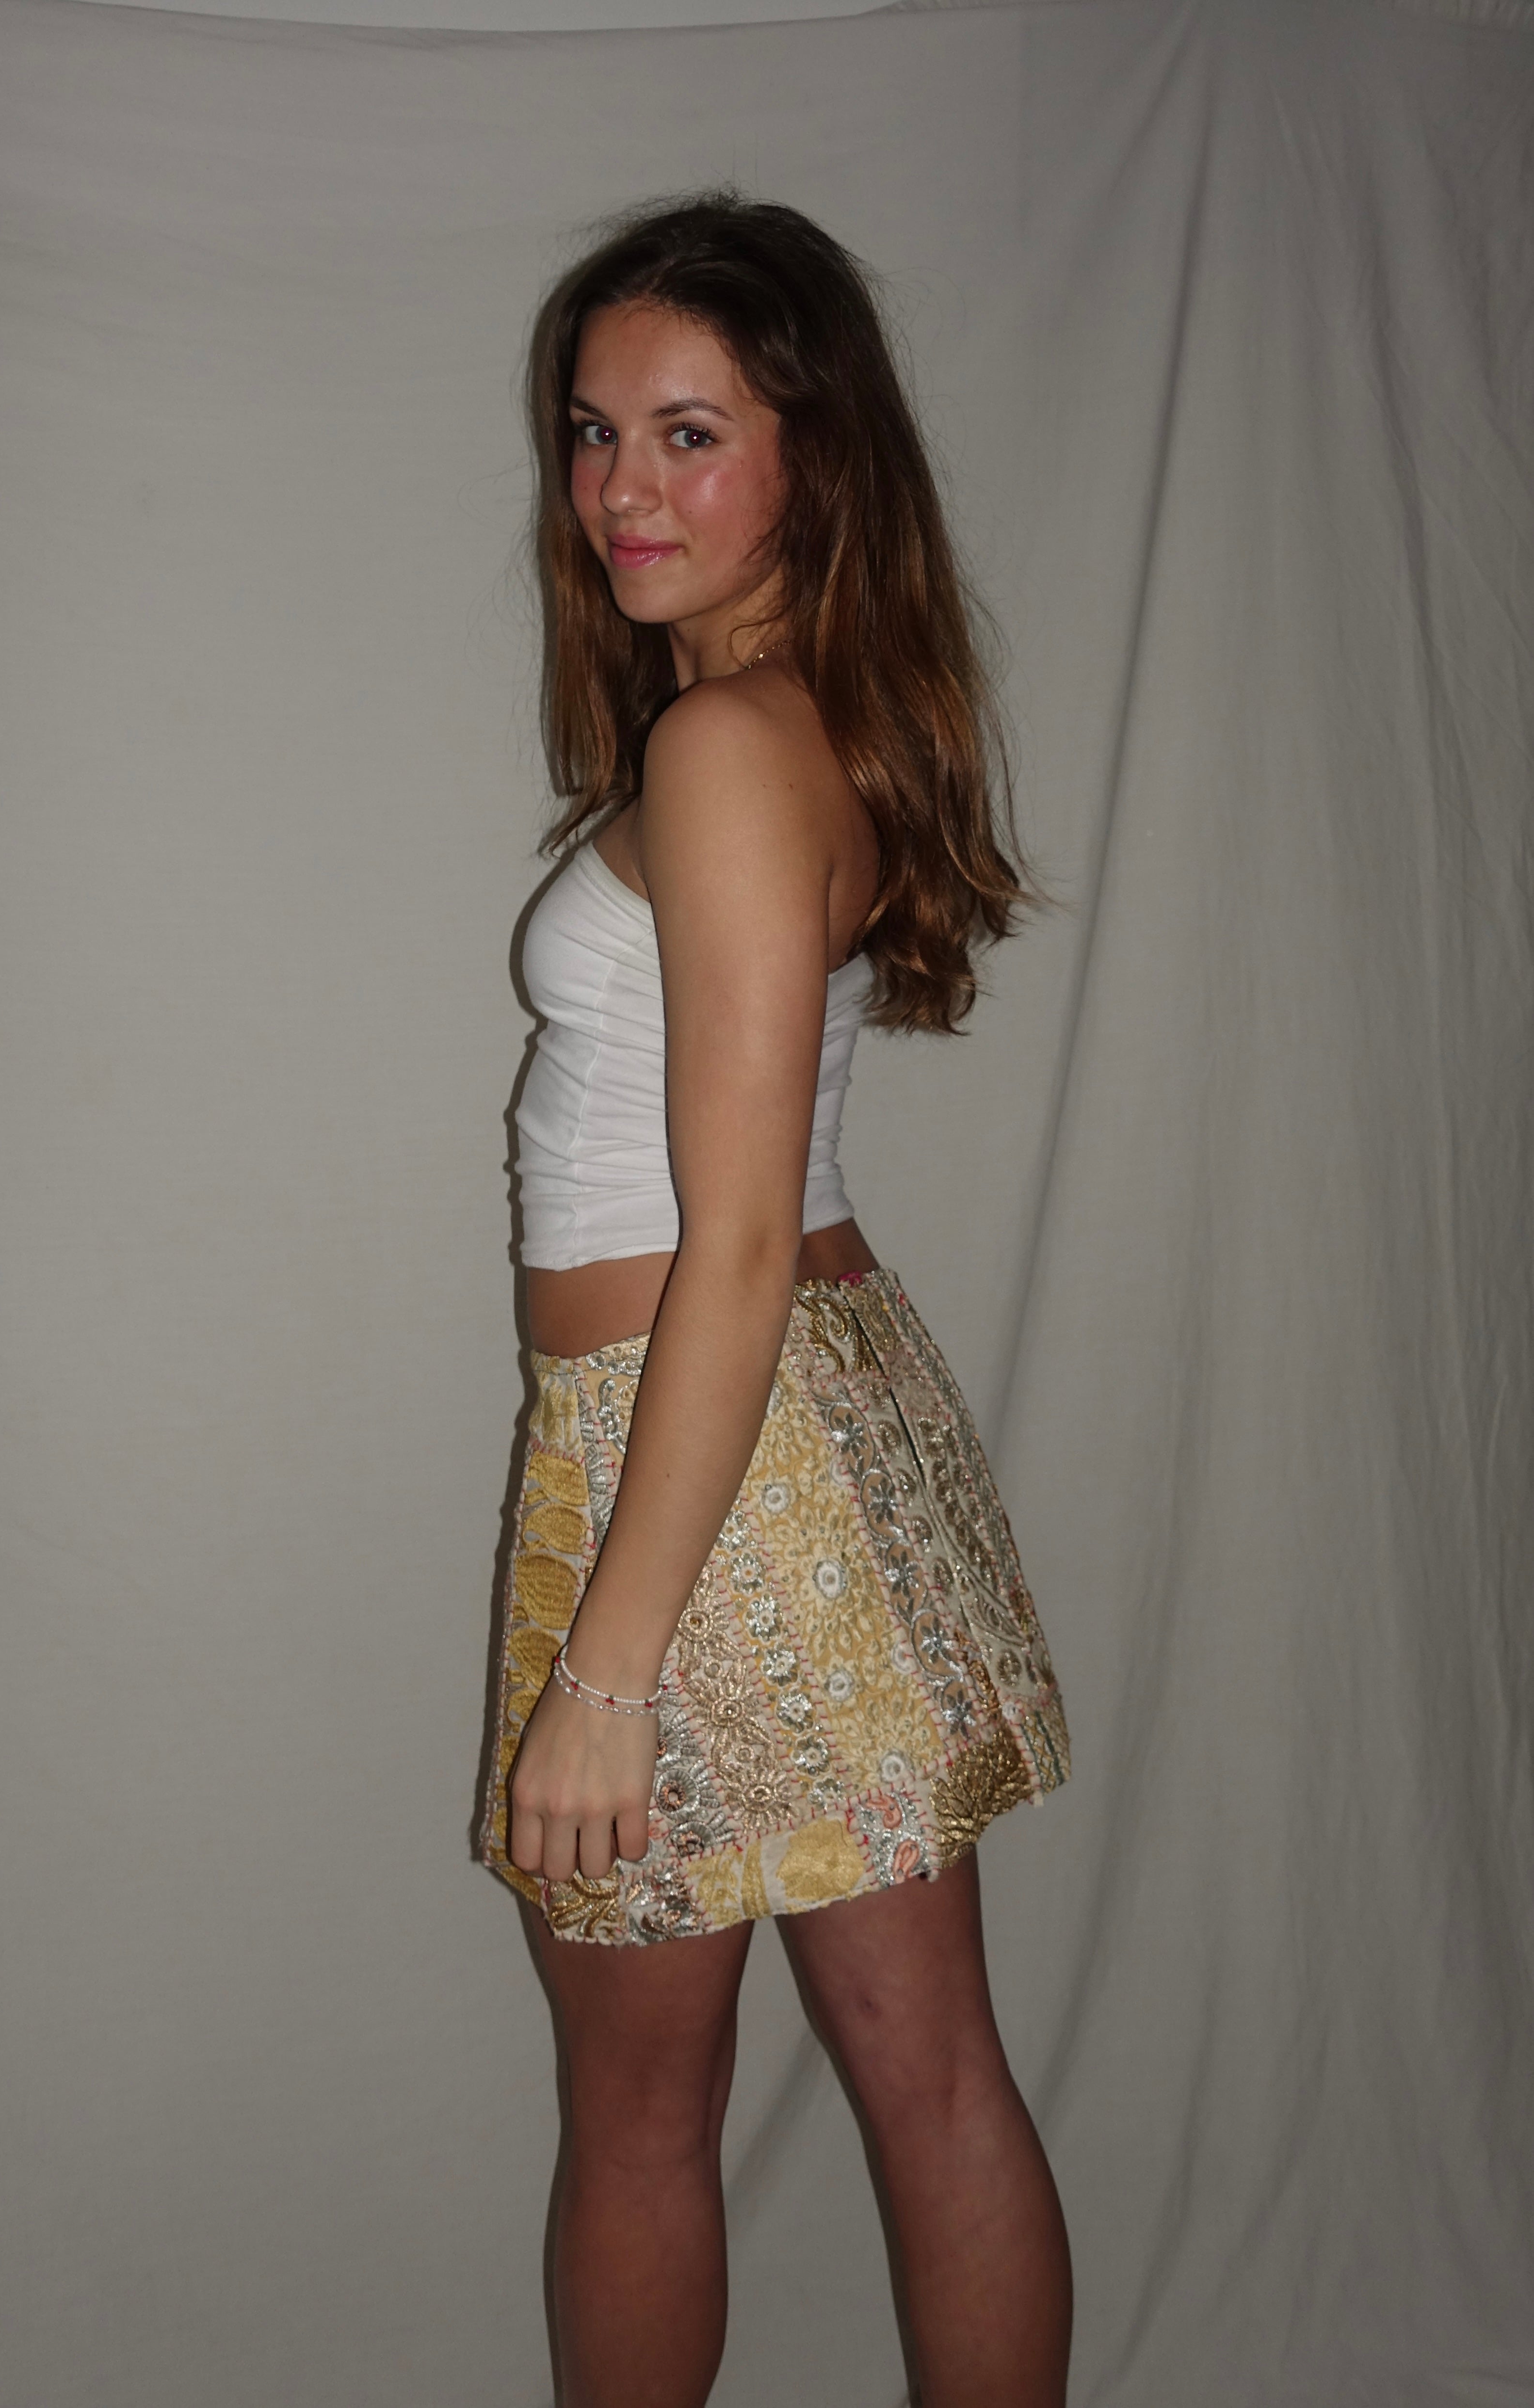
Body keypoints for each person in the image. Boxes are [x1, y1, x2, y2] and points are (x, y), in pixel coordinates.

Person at [478, 192, 1072, 2408]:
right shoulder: (785, 722)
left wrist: (606, 1673)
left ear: (812, 458)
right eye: (592, 431)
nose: (621, 488)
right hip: (793, 1431)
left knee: (645, 2115)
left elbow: (724, 1243)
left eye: (689, 432)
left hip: (694, 1456)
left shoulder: (727, 748)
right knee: (932, 2079)